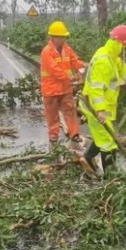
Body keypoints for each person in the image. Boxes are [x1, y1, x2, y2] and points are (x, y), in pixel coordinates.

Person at [80, 24, 126, 174]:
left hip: (103, 107)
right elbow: (96, 89)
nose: (125, 51)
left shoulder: (112, 56)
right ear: (120, 44)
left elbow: (124, 71)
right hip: (94, 107)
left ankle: (86, 158)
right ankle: (111, 179)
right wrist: (100, 111)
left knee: (102, 136)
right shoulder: (104, 61)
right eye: (125, 47)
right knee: (109, 142)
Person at [41, 21, 86, 152]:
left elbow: (75, 61)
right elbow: (54, 70)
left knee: (71, 111)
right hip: (51, 89)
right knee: (52, 115)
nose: (64, 39)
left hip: (65, 88)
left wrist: (83, 66)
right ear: (53, 37)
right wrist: (71, 77)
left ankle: (75, 134)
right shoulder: (46, 52)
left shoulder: (67, 48)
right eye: (62, 36)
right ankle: (53, 136)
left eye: (64, 36)